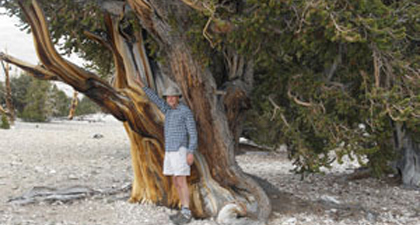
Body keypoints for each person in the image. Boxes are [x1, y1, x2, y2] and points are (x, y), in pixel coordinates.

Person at [136, 77, 198, 225]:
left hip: (180, 150)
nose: (170, 99)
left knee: (182, 181)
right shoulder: (167, 110)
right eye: (168, 97)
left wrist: (191, 152)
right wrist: (142, 85)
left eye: (173, 96)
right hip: (170, 151)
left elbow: (193, 132)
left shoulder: (185, 111)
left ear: (178, 97)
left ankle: (186, 211)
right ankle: (182, 209)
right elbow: (155, 99)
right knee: (176, 181)